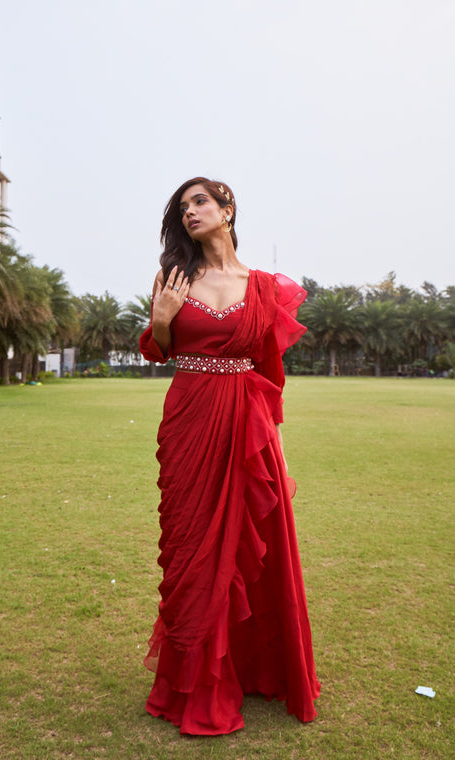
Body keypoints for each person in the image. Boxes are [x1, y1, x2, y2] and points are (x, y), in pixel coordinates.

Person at [139, 177, 320, 735]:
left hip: (249, 427)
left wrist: (280, 456)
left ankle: (249, 669)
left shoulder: (264, 287)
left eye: (200, 202)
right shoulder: (174, 277)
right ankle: (195, 678)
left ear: (227, 209)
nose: (191, 212)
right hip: (191, 420)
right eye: (183, 206)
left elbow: (272, 376)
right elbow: (155, 350)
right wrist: (164, 317)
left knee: (250, 550)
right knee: (193, 550)